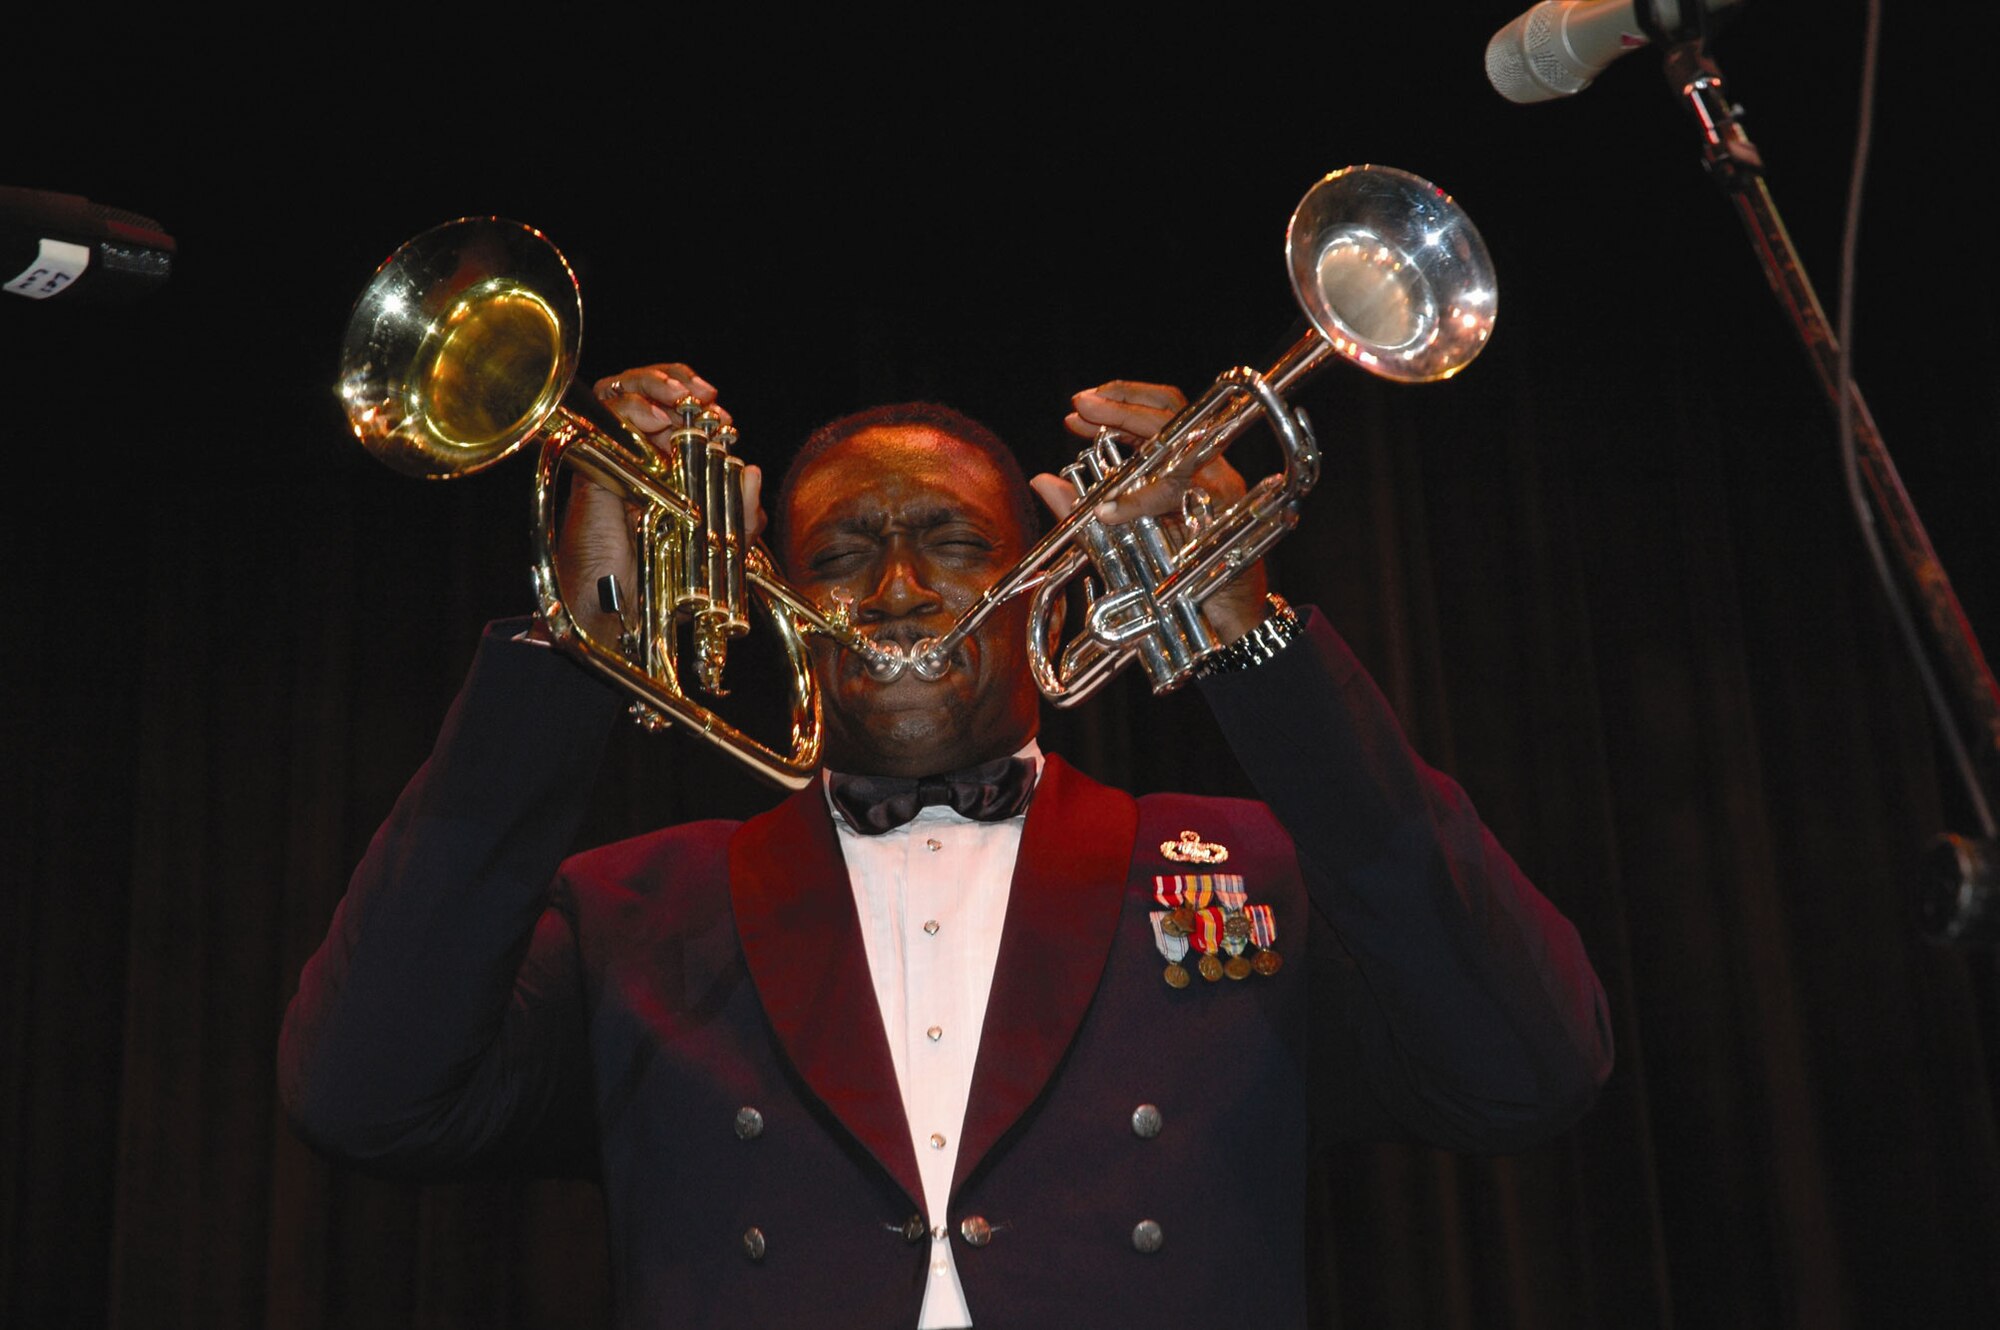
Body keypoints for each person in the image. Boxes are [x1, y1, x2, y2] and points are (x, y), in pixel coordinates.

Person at [280, 364, 1613, 1329]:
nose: (902, 590)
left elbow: (1530, 1068)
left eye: (954, 543)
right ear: (776, 597)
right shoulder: (642, 901)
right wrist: (570, 650)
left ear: (1049, 573)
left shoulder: (1242, 865)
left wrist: (1263, 657)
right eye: (845, 552)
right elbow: (362, 1094)